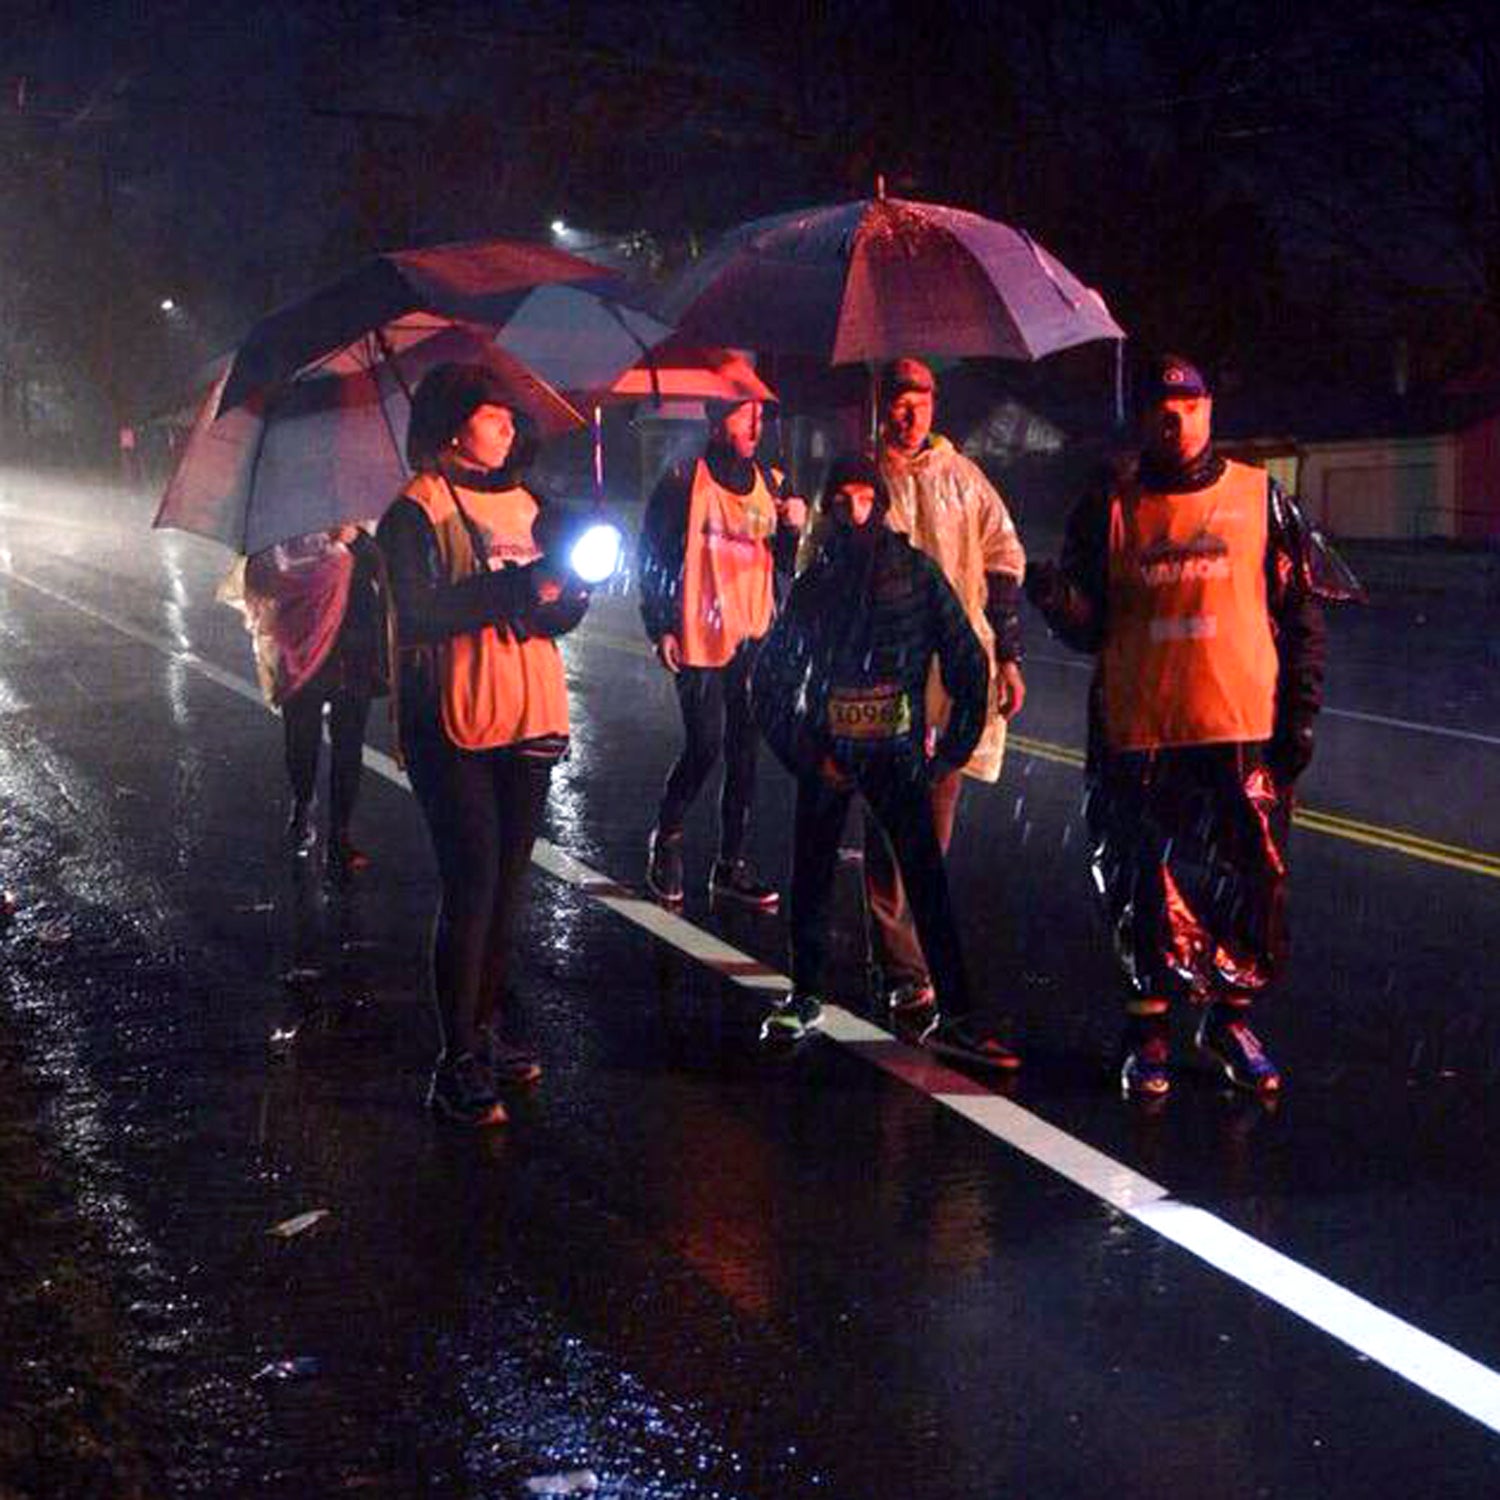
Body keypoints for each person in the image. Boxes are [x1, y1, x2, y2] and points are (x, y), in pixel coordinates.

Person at [1026, 354, 1359, 1101]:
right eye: (1161, 407)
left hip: (1239, 728)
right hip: (1139, 730)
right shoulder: (1110, 503)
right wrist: (1055, 599)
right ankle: (1148, 1030)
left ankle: (1229, 1019)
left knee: (1250, 880)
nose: (1175, 418)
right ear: (1143, 417)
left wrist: (1299, 718)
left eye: (1190, 404)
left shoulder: (1257, 499)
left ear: (1210, 410)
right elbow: (1090, 628)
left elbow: (1301, 614)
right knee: (1143, 883)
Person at [376, 362, 591, 1127]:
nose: (508, 426)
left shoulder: (530, 502)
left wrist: (567, 596)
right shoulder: (415, 510)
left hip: (527, 708)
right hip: (452, 719)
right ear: (453, 423)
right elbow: (418, 612)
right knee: (470, 884)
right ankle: (455, 1061)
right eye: (493, 415)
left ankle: (485, 1030)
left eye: (508, 417)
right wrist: (513, 591)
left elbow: (560, 604)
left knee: (506, 887)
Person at [752, 454, 1018, 1070]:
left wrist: (949, 751)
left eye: (863, 499)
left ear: (881, 501)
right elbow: (770, 676)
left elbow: (965, 660)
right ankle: (805, 993)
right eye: (839, 503)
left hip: (897, 755)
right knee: (811, 877)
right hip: (828, 751)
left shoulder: (917, 575)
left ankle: (957, 1015)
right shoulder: (817, 584)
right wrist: (804, 753)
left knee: (925, 881)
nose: (853, 512)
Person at [861, 358, 1027, 1040]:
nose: (911, 413)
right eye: (899, 400)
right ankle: (904, 967)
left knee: (933, 821)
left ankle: (907, 953)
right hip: (881, 675)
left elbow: (1003, 557)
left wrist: (1008, 654)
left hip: (955, 675)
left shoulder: (965, 480)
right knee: (888, 822)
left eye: (921, 399)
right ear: (880, 407)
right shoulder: (859, 480)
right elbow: (819, 568)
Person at [638, 395, 806, 909]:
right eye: (742, 412)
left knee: (744, 753)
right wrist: (660, 623)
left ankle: (730, 865)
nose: (755, 422)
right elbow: (653, 553)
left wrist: (793, 529)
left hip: (753, 634)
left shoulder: (775, 483)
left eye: (759, 413)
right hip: (697, 633)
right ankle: (665, 839)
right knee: (705, 744)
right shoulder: (685, 479)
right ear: (717, 421)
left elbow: (785, 567)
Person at [237, 525, 384, 879]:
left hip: (353, 651)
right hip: (301, 650)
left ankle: (341, 834)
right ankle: (303, 800)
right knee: (301, 739)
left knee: (349, 745)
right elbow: (259, 578)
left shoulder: (359, 525)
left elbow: (385, 571)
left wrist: (357, 541)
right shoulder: (285, 528)